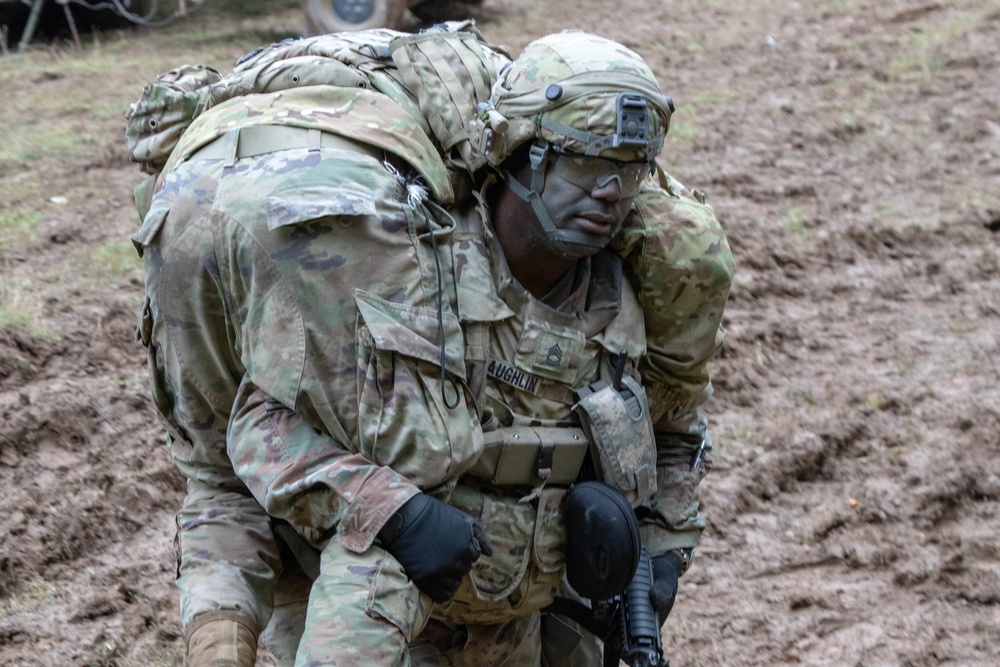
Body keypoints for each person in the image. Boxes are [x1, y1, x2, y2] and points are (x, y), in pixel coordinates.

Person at [126, 23, 733, 667]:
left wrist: (661, 554)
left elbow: (675, 427)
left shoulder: (637, 296)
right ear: (519, 155)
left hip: (524, 605)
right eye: (581, 163)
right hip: (388, 600)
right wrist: (394, 513)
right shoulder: (410, 277)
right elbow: (256, 429)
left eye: (629, 171)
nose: (608, 193)